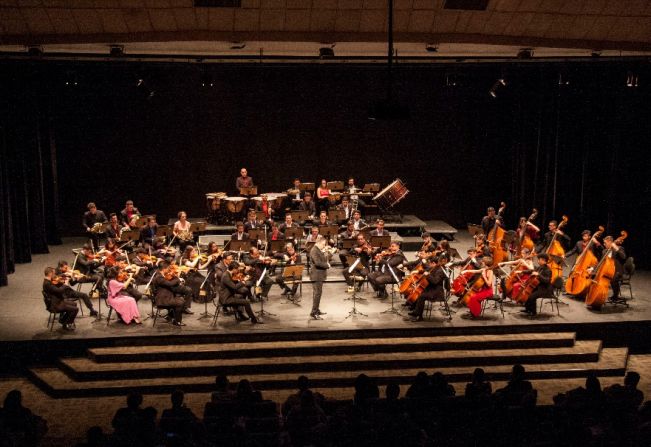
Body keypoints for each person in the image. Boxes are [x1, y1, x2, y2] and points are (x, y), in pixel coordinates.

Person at [409, 255, 449, 321]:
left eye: (430, 263)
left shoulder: (440, 271)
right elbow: (427, 269)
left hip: (437, 292)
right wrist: (418, 271)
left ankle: (419, 316)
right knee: (418, 291)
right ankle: (415, 311)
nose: (429, 265)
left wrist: (428, 275)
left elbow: (435, 281)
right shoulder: (436, 267)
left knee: (421, 296)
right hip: (432, 288)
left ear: (433, 263)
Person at [153, 262, 190, 326]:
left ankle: (171, 317)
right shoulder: (159, 277)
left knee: (180, 300)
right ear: (164, 269)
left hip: (165, 296)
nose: (169, 270)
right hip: (162, 299)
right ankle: (177, 321)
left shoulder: (161, 275)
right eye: (168, 269)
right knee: (180, 302)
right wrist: (176, 278)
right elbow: (170, 284)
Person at [308, 235, 329, 320]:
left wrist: (326, 253)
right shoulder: (314, 250)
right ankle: (314, 313)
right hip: (316, 276)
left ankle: (316, 310)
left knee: (318, 294)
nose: (324, 246)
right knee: (317, 294)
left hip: (319, 275)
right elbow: (317, 263)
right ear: (319, 243)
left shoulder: (318, 250)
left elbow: (323, 259)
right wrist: (327, 265)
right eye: (323, 244)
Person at [601, 235, 627, 303]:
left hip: (617, 271)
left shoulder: (619, 248)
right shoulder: (604, 251)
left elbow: (624, 257)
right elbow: (600, 262)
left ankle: (615, 296)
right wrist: (593, 268)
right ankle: (599, 295)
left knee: (613, 279)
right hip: (607, 271)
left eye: (605, 243)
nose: (604, 244)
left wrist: (616, 248)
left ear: (610, 242)